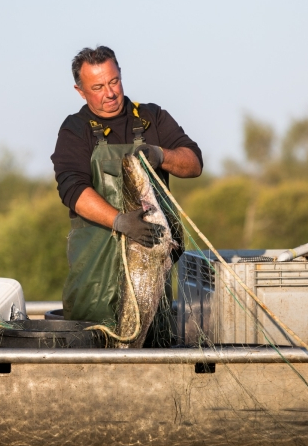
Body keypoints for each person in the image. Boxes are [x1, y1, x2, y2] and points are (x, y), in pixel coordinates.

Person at [51, 46, 203, 324]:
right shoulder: (75, 129)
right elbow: (72, 190)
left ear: (120, 74)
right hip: (95, 277)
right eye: (97, 87)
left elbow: (194, 163)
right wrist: (120, 221)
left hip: (151, 269)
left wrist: (161, 154)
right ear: (80, 91)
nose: (109, 93)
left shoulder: (152, 117)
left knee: (152, 337)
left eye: (113, 81)